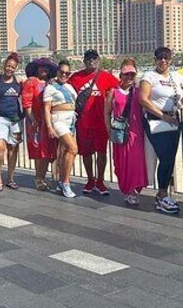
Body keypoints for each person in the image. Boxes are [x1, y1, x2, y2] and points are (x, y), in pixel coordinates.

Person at [138, 46, 183, 215]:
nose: (163, 61)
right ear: (155, 59)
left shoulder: (176, 76)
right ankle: (162, 193)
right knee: (165, 156)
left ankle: (163, 192)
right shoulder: (149, 76)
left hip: (174, 120)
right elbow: (143, 99)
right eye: (160, 58)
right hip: (156, 121)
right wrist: (162, 116)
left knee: (170, 158)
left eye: (167, 58)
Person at [68, 49, 119, 195]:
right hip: (83, 123)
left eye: (94, 58)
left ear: (98, 60)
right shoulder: (76, 77)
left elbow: (120, 91)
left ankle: (100, 181)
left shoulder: (106, 77)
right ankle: (90, 180)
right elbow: (64, 90)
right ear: (84, 61)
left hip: (101, 123)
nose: (91, 61)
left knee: (102, 153)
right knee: (86, 153)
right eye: (88, 58)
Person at [104, 58, 147, 206]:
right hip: (120, 132)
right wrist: (109, 130)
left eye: (132, 75)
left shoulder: (138, 92)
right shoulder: (113, 92)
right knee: (121, 162)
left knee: (136, 161)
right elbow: (107, 112)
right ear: (120, 75)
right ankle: (127, 189)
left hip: (136, 132)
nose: (129, 77)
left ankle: (134, 190)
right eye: (126, 74)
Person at [0, 53, 24, 191]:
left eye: (13, 67)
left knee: (13, 149)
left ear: (16, 68)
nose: (10, 69)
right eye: (8, 66)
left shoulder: (19, 82)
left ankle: (11, 178)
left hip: (15, 119)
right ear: (4, 65)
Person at [22, 58, 58, 191]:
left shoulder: (51, 83)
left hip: (49, 122)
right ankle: (38, 178)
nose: (44, 70)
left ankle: (45, 176)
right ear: (36, 69)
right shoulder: (31, 82)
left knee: (49, 151)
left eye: (46, 68)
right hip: (36, 123)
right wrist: (33, 120)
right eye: (41, 67)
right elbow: (27, 103)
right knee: (38, 151)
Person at [44, 60, 78, 198]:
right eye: (61, 72)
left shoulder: (69, 87)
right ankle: (66, 182)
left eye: (67, 73)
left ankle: (61, 180)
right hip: (58, 120)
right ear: (57, 72)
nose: (64, 75)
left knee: (65, 152)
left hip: (71, 120)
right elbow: (47, 108)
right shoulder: (51, 88)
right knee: (73, 149)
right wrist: (49, 127)